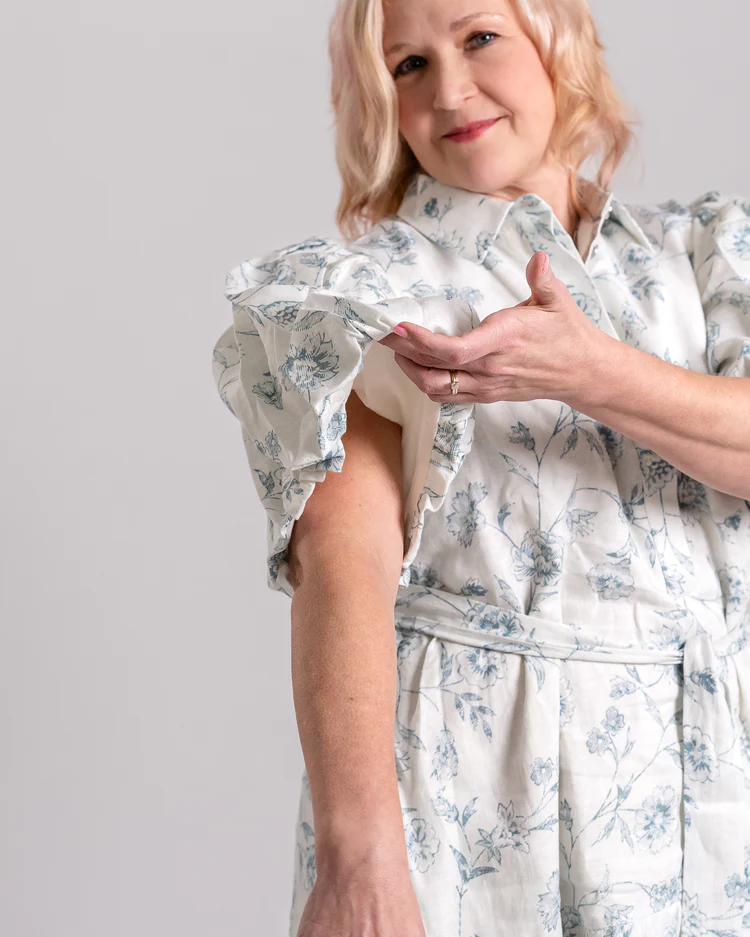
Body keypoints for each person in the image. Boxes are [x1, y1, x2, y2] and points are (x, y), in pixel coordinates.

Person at [211, 0, 750, 933]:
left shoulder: (705, 256)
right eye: (408, 66)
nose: (451, 89)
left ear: (556, 40)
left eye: (479, 38)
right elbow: (343, 570)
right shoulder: (370, 295)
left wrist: (593, 374)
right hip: (477, 808)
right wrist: (360, 859)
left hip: (714, 784)